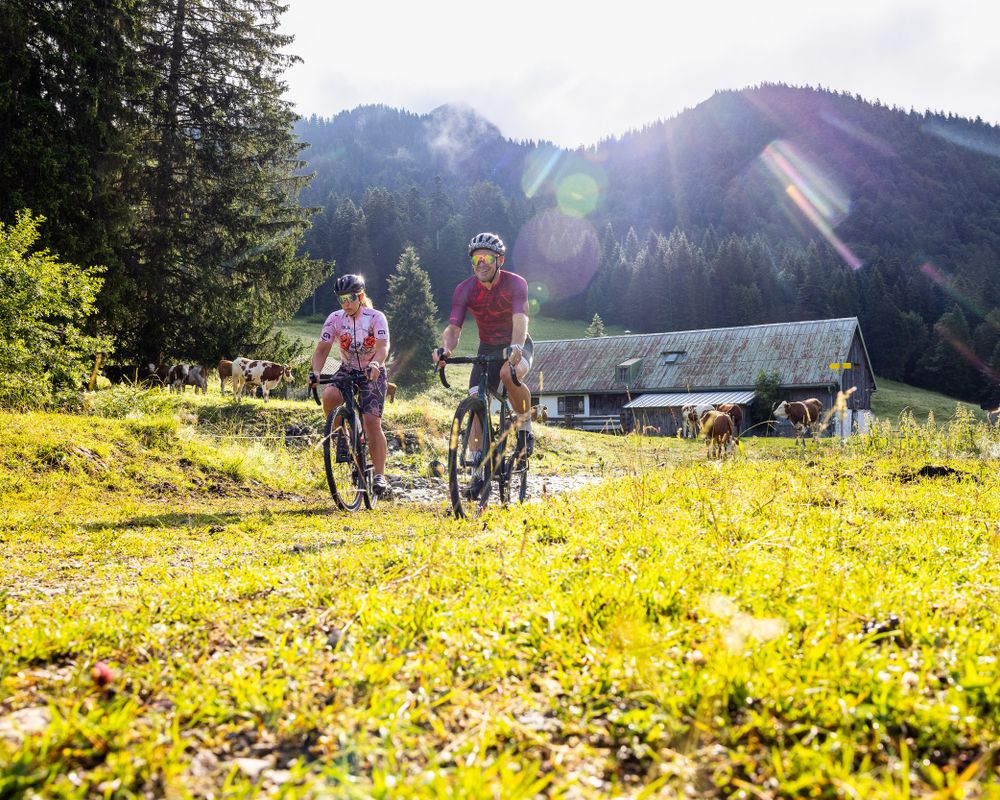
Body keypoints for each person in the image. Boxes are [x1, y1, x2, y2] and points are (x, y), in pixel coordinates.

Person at [432, 232, 534, 487]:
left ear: (500, 260)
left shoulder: (515, 283)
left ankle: (525, 428)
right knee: (477, 399)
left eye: (487, 258)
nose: (481, 263)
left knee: (508, 374)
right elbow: (453, 328)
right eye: (476, 259)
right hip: (487, 348)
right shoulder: (465, 289)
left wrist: (516, 346)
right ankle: (478, 470)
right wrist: (446, 350)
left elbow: (520, 319)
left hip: (517, 343)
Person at [309, 273, 392, 498]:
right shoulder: (335, 319)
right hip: (347, 368)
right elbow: (322, 349)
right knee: (329, 396)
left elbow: (383, 347)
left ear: (360, 296)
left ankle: (379, 475)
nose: (345, 303)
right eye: (341, 299)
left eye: (350, 298)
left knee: (372, 422)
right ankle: (344, 438)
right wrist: (316, 371)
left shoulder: (376, 317)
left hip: (372, 370)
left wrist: (376, 363)